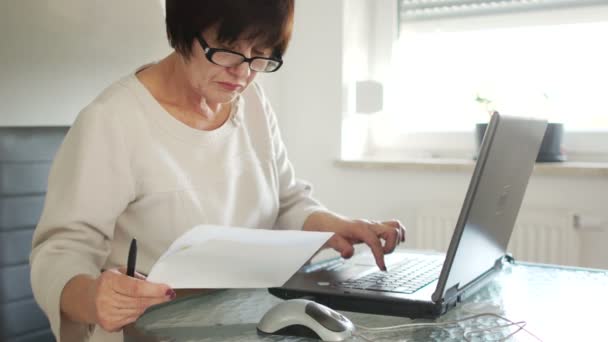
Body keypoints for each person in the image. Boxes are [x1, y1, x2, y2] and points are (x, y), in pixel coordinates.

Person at [30, 1, 406, 341]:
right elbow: (60, 252)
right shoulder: (112, 121)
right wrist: (94, 297)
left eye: (260, 55)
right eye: (226, 50)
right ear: (180, 33)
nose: (242, 73)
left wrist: (333, 226)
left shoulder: (252, 101)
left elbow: (286, 200)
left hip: (250, 320)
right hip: (149, 331)